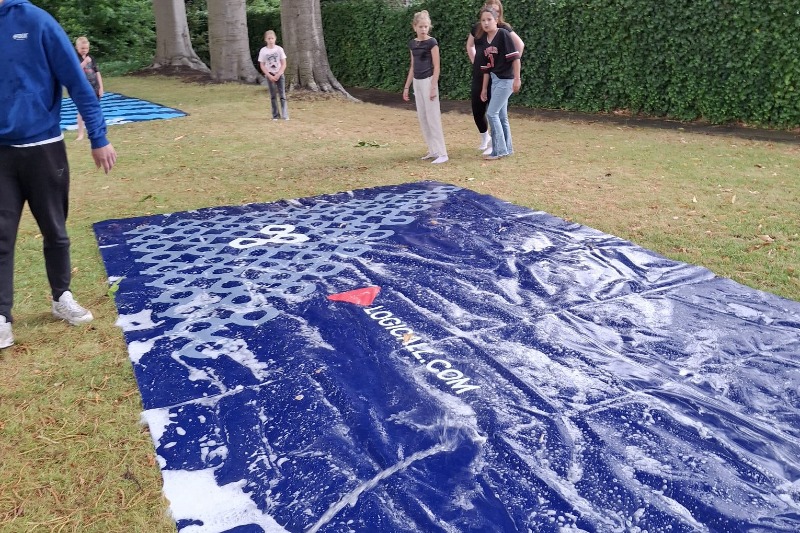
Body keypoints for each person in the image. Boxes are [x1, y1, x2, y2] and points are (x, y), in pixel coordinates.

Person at [0, 0, 117, 350]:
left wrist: (98, 137)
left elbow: (77, 83)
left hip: (44, 147)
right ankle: (2, 317)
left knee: (55, 229)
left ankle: (61, 296)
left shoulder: (36, 21)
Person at [466, 0, 524, 154]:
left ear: (496, 19)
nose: (486, 23)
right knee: (502, 117)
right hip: (495, 79)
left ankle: (498, 150)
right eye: (483, 20)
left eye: (489, 19)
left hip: (505, 79)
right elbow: (486, 68)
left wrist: (516, 78)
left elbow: (516, 57)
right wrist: (484, 88)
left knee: (492, 113)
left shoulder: (503, 33)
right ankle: (507, 149)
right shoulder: (485, 39)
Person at [402, 10, 448, 164]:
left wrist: (433, 86)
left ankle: (442, 153)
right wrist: (407, 87)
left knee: (433, 117)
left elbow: (437, 66)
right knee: (423, 117)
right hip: (417, 82)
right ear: (414, 27)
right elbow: (412, 66)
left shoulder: (432, 42)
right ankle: (432, 149)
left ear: (429, 27)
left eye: (426, 27)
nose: (423, 29)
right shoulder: (412, 44)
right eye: (420, 26)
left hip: (428, 81)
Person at [74, 36, 104, 141]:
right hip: (83, 88)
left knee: (95, 109)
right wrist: (85, 62)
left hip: (94, 87)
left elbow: (97, 73)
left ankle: (95, 131)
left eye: (86, 48)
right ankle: (80, 134)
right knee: (82, 111)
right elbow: (75, 70)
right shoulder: (74, 58)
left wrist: (101, 87)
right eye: (82, 48)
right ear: (77, 47)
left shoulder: (91, 58)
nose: (85, 50)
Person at [258, 30, 289, 121]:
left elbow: (284, 63)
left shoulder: (279, 49)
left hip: (279, 74)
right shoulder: (263, 51)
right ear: (265, 40)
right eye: (269, 39)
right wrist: (269, 75)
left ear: (275, 39)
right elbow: (262, 65)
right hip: (270, 74)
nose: (271, 40)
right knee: (273, 96)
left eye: (272, 38)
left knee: (282, 95)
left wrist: (279, 74)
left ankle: (285, 115)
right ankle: (275, 115)